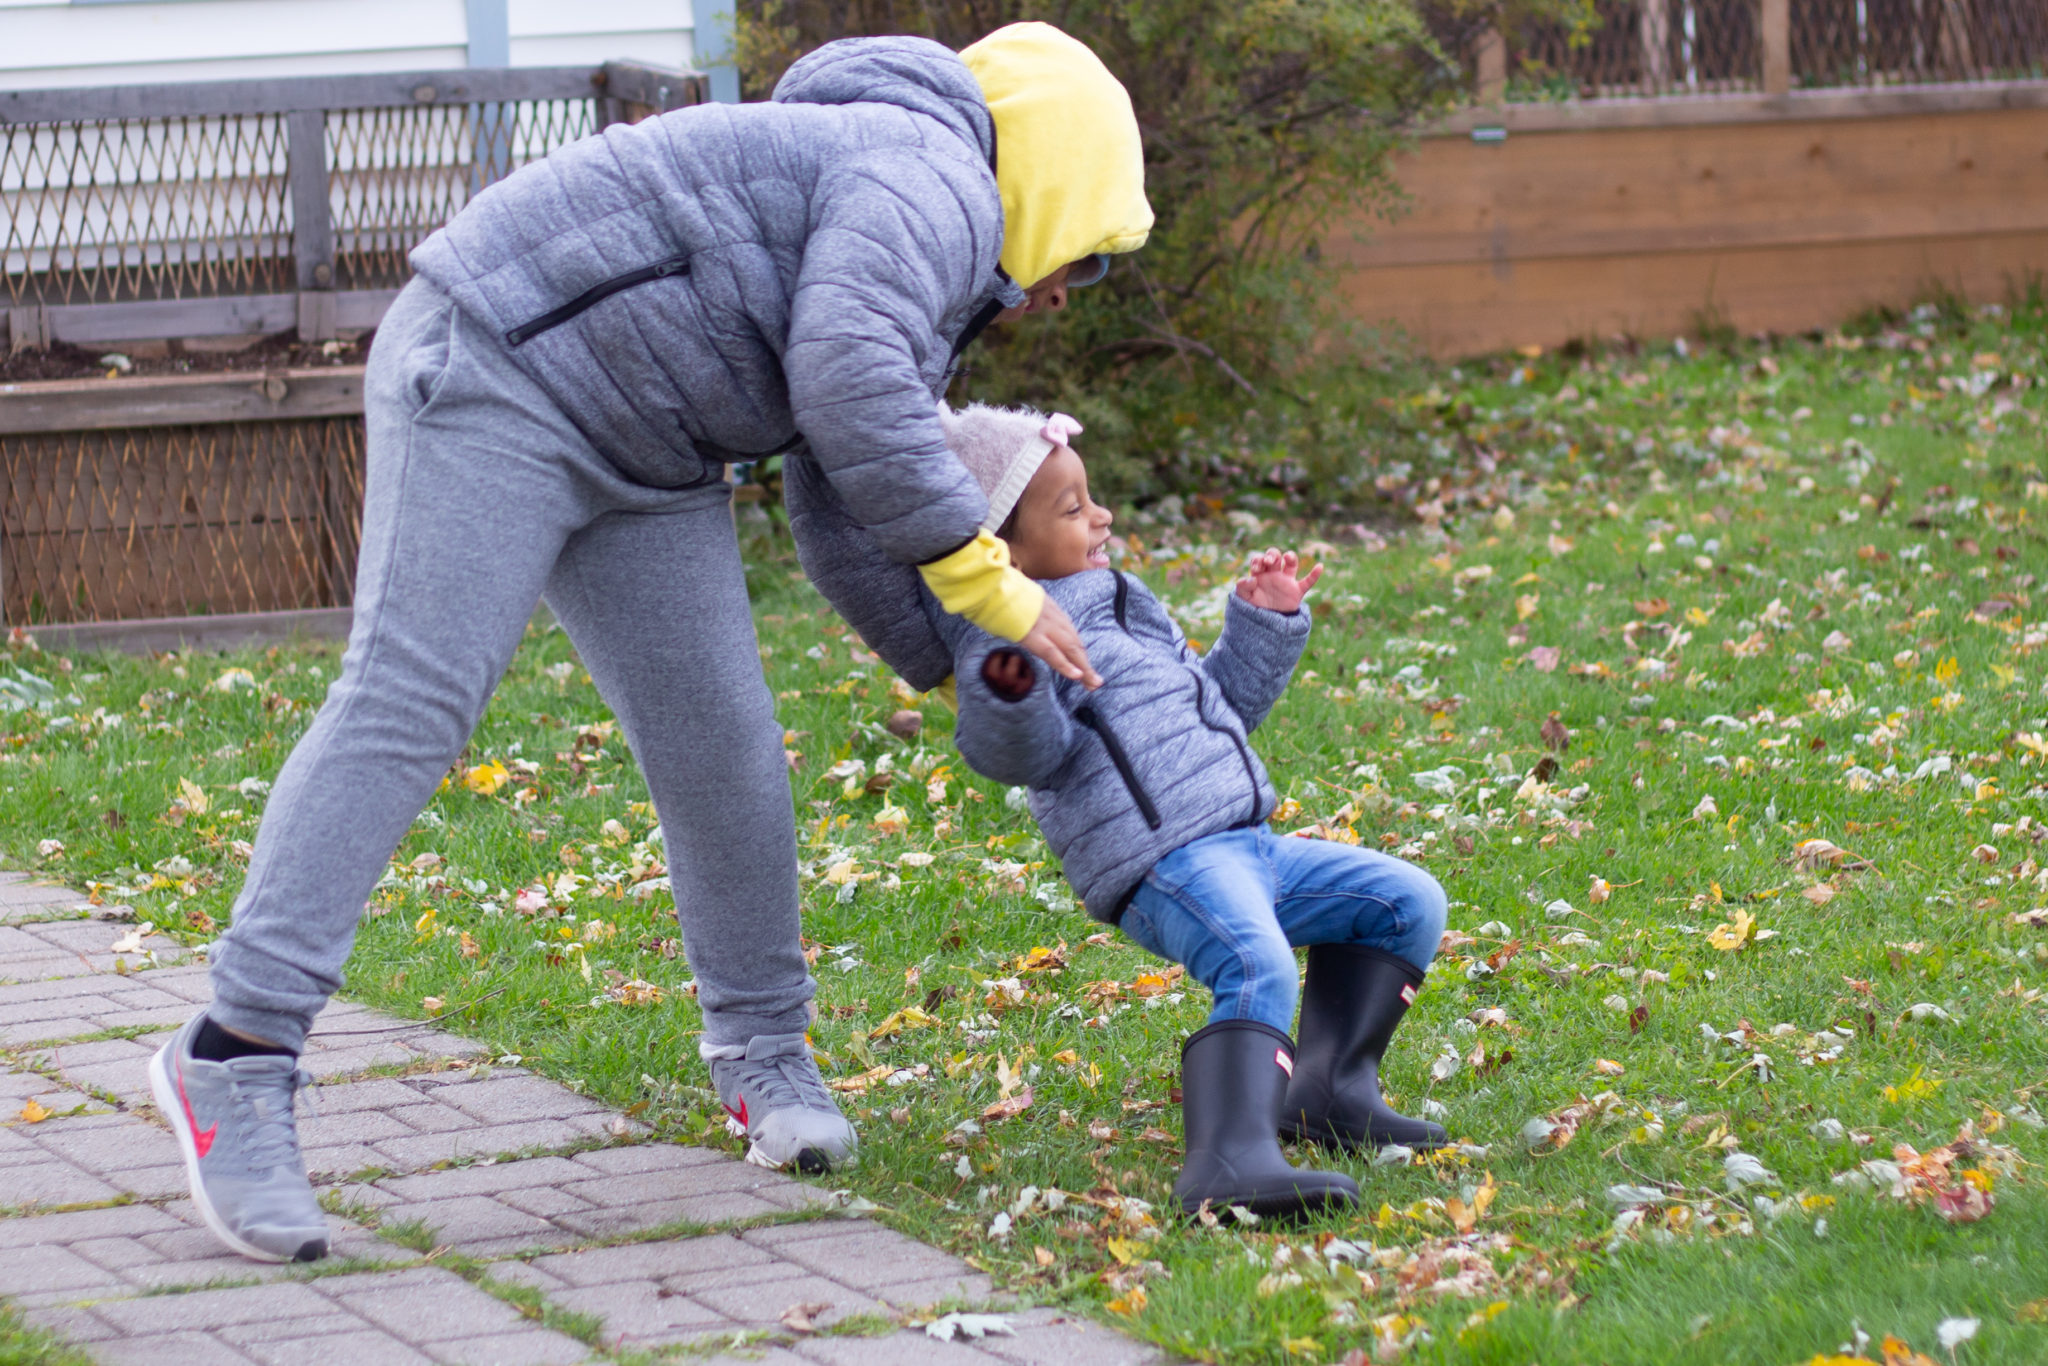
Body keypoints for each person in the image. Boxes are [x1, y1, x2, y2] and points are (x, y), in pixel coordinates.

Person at [150, 24, 1153, 1263]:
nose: (1065, 290)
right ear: (1056, 179)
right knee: (412, 705)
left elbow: (840, 486)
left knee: (722, 745)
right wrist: (988, 581)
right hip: (496, 371)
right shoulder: (928, 179)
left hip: (650, 453)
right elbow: (848, 381)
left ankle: (763, 1056)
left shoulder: (914, 216)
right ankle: (235, 1056)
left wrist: (957, 669)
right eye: (1089, 257)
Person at [929, 404, 1448, 1218]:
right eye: (1071, 510)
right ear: (1004, 550)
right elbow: (1023, 756)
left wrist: (1266, 622)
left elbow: (1226, 706)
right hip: (1167, 866)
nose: (1099, 516)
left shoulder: (1128, 606)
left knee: (1404, 903)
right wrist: (1011, 690)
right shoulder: (1013, 635)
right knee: (1257, 965)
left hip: (1248, 845)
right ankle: (1228, 1160)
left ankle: (1327, 1090)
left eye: (1090, 498)